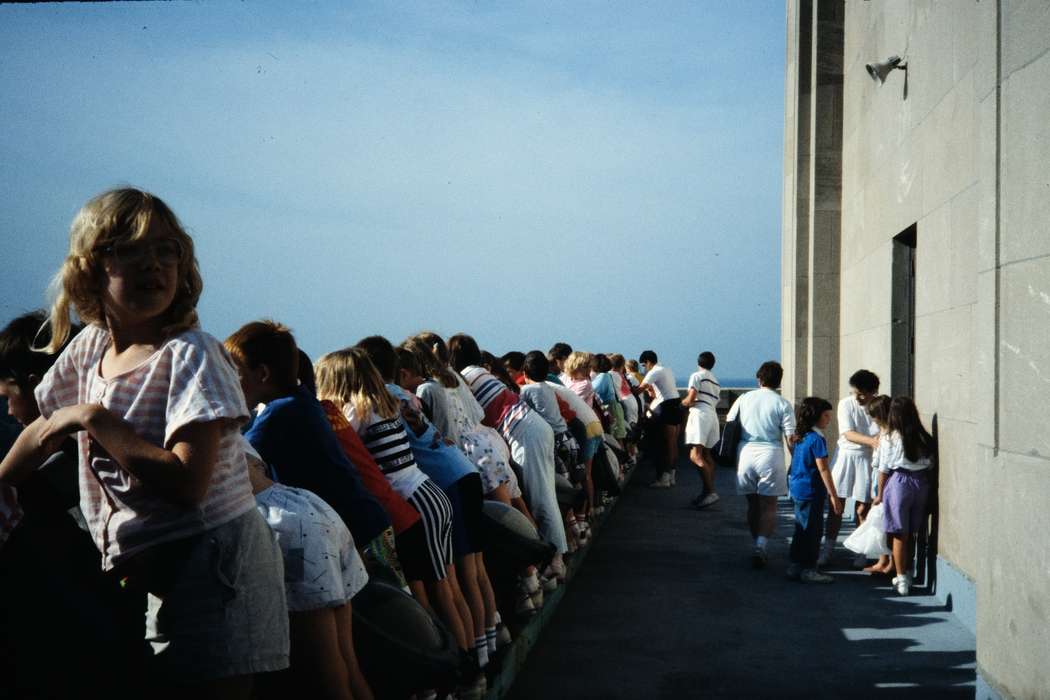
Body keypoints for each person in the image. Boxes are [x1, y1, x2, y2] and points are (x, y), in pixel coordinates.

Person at [0, 188, 288, 696]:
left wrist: (94, 419)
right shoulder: (90, 348)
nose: (152, 263)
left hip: (218, 564)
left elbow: (187, 484)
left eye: (166, 250)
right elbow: (43, 429)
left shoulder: (190, 356)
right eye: (129, 250)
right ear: (89, 268)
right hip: (161, 571)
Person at [313, 348, 471, 657]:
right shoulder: (384, 404)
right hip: (431, 494)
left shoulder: (355, 413)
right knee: (449, 587)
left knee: (436, 592)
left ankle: (457, 667)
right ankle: (475, 653)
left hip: (415, 503)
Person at [225, 321, 391, 553]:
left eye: (235, 373)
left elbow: (232, 458)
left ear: (262, 374)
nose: (229, 381)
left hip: (354, 532)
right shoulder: (301, 400)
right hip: (366, 521)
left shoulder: (279, 414)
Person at [245, 440, 374, 700]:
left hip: (285, 528)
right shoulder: (235, 434)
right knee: (346, 657)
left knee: (325, 666)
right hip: (307, 510)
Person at [450, 334, 568, 581]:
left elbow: (471, 416)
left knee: (541, 499)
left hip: (523, 433)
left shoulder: (465, 379)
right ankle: (556, 554)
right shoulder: (481, 372)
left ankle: (555, 559)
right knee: (544, 496)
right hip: (532, 427)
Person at [726, 361, 795, 568]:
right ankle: (761, 545)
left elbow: (730, 424)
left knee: (752, 504)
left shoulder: (744, 398)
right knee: (769, 505)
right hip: (771, 453)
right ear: (779, 381)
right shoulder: (782, 403)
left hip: (745, 452)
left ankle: (756, 541)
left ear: (759, 379)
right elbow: (790, 438)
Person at [870, 397, 934, 596]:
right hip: (922, 483)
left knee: (899, 533)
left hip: (899, 482)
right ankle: (909, 570)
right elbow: (931, 464)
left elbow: (883, 469)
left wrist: (880, 494)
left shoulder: (889, 437)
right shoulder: (925, 437)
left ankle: (901, 578)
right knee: (915, 531)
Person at [820, 370, 882, 568]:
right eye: (855, 393)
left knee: (863, 508)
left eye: (862, 394)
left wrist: (875, 444)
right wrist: (873, 441)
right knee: (836, 505)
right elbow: (848, 433)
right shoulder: (846, 403)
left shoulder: (879, 407)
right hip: (845, 457)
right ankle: (827, 549)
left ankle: (860, 552)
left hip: (867, 459)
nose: (858, 397)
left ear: (874, 392)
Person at [786, 397, 841, 583]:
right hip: (811, 490)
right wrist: (833, 495)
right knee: (813, 530)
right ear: (816, 417)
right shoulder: (817, 439)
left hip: (798, 488)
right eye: (826, 415)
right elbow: (823, 469)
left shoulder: (800, 436)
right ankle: (809, 568)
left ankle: (795, 565)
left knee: (801, 528)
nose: (829, 419)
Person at [682, 351, 721, 508]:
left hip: (700, 414)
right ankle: (707, 492)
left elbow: (691, 399)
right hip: (712, 415)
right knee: (706, 454)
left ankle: (711, 492)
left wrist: (681, 403)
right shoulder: (716, 382)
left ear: (698, 363)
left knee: (695, 455)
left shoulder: (697, 376)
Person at [637, 350, 681, 488]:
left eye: (644, 365)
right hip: (676, 403)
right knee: (673, 443)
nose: (644, 368)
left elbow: (640, 388)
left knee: (665, 443)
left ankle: (664, 478)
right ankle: (671, 475)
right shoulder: (666, 369)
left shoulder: (654, 371)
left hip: (666, 406)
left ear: (648, 362)